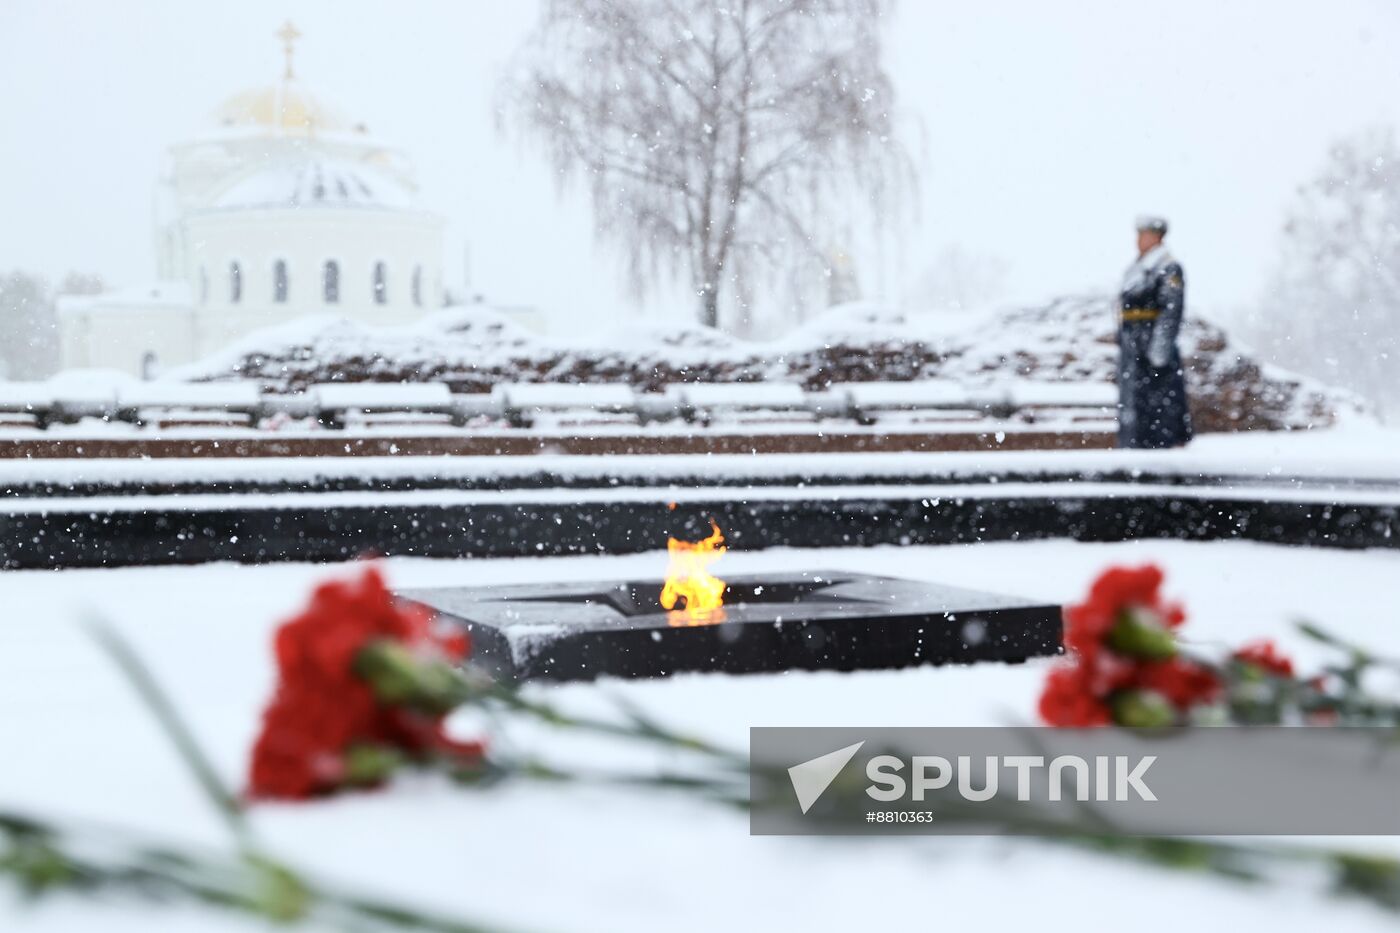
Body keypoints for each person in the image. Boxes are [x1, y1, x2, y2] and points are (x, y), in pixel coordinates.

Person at [1117, 215, 1193, 449]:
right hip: (1134, 347)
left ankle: (1161, 450)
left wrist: (1159, 351)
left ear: (1157, 237)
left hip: (1152, 348)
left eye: (1143, 235)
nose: (1138, 240)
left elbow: (1171, 311)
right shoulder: (1138, 268)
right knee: (1136, 405)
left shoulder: (1167, 267)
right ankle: (1138, 446)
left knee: (1160, 404)